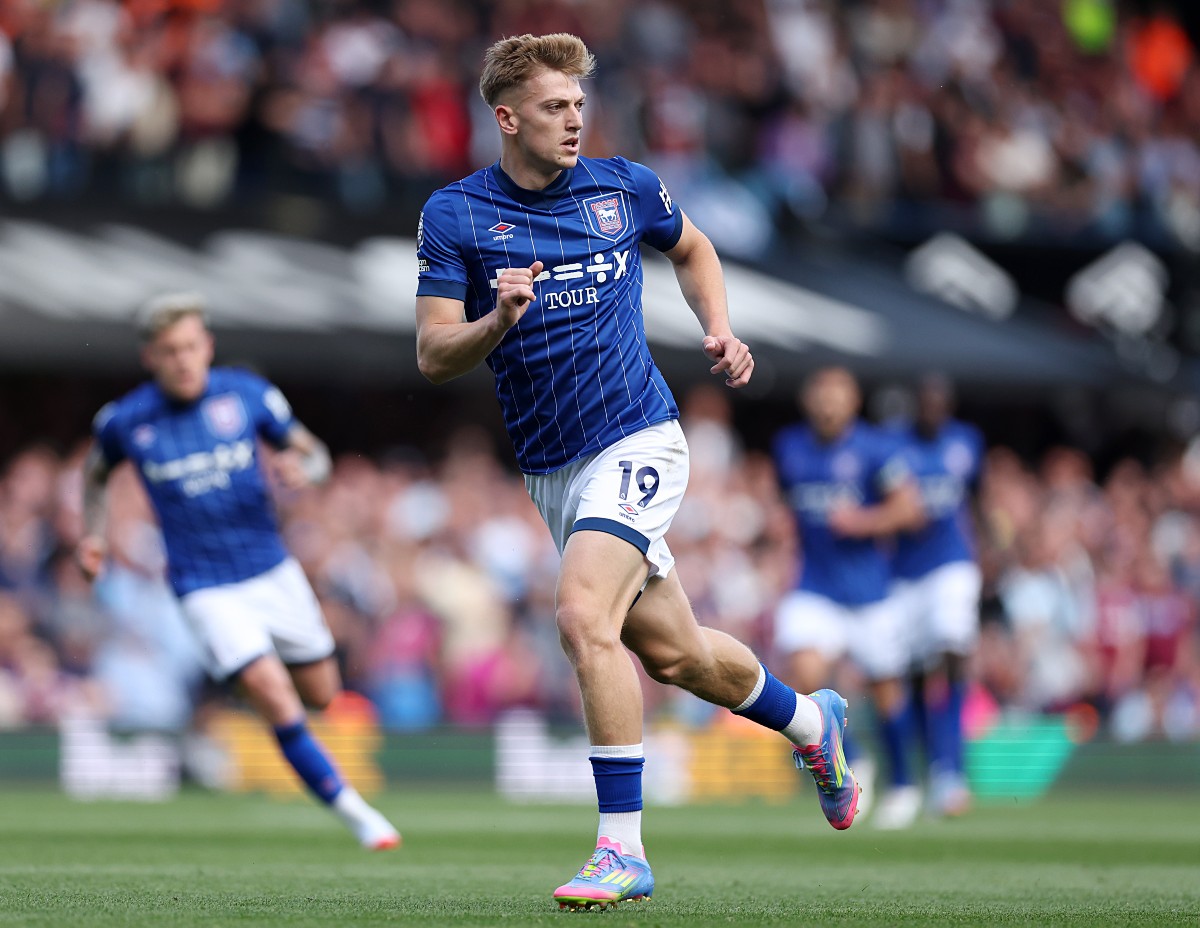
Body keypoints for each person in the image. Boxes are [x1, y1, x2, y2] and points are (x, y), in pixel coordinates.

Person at [414, 33, 859, 911]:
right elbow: (433, 354)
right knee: (677, 657)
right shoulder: (456, 215)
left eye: (579, 103)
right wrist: (496, 320)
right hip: (553, 470)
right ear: (506, 118)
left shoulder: (627, 188)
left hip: (640, 438)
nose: (574, 118)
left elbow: (692, 248)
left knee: (583, 616)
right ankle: (815, 722)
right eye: (553, 107)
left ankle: (621, 847)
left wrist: (720, 328)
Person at [76, 292, 399, 850]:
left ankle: (250, 699)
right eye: (170, 350)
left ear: (208, 347)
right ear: (151, 356)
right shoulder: (126, 420)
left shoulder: (246, 395)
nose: (183, 360)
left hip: (272, 573)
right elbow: (95, 475)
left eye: (192, 347)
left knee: (322, 695)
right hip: (204, 587)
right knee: (272, 691)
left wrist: (308, 470)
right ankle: (354, 812)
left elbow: (314, 452)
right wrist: (93, 534)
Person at [771, 367, 925, 830]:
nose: (827, 405)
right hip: (815, 587)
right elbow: (787, 508)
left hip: (870, 592)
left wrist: (860, 522)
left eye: (836, 396)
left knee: (886, 691)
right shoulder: (790, 448)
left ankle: (903, 783)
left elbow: (910, 509)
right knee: (804, 675)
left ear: (853, 402)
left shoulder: (876, 449)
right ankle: (850, 759)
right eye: (820, 395)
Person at [890, 374, 985, 819]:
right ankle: (931, 767)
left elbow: (978, 499)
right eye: (925, 401)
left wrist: (990, 548)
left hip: (952, 564)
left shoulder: (967, 442)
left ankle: (953, 769)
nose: (932, 408)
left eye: (939, 401)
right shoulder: (893, 447)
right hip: (905, 575)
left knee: (951, 654)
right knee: (912, 675)